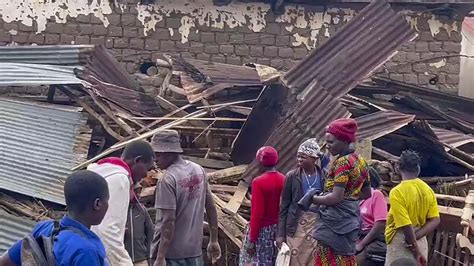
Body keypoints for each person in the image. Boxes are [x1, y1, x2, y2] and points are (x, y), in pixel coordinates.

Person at [0, 170, 110, 266]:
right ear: (98, 204)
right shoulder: (86, 251)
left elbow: (5, 262)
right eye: (107, 201)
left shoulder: (44, 227)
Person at [149, 130, 221, 266]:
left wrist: (160, 257)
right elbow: (211, 206)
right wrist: (214, 239)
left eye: (157, 154)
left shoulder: (167, 179)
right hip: (194, 252)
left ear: (168, 153)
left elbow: (168, 220)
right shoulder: (198, 170)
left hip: (171, 255)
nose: (155, 160)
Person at [311, 118, 370, 266]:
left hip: (334, 223)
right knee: (344, 258)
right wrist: (349, 198)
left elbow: (335, 197)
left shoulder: (342, 163)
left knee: (327, 258)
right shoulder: (360, 160)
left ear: (344, 141)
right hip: (350, 220)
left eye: (331, 142)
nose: (328, 146)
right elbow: (367, 193)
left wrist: (314, 198)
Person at [88, 140, 156, 266]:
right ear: (138, 160)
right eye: (147, 168)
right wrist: (124, 263)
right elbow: (107, 231)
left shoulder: (103, 172)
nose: (146, 174)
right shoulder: (120, 179)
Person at [277, 138, 328, 266]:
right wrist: (280, 234)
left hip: (316, 225)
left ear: (314, 158)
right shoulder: (292, 176)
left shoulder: (324, 176)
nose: (299, 159)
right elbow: (284, 206)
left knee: (313, 259)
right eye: (298, 156)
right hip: (295, 224)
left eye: (303, 157)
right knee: (293, 259)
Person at [385, 150, 440, 266]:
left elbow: (405, 225)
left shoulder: (397, 192)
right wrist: (417, 237)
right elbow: (435, 220)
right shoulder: (428, 190)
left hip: (402, 241)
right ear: (418, 169)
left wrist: (414, 247)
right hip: (420, 239)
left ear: (398, 168)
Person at [239, 146, 285, 265]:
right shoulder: (283, 179)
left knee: (256, 261)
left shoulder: (258, 182)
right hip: (278, 230)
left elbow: (257, 213)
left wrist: (252, 239)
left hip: (262, 232)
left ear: (260, 163)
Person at [356, 168, 387, 266]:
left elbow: (380, 223)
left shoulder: (376, 195)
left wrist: (361, 245)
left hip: (370, 240)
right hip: (354, 238)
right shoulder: (354, 196)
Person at [124, 186, 154, 266]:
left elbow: (150, 233)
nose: (137, 195)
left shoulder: (141, 209)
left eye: (139, 192)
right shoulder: (119, 210)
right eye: (135, 191)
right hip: (123, 259)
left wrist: (149, 256)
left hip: (141, 259)